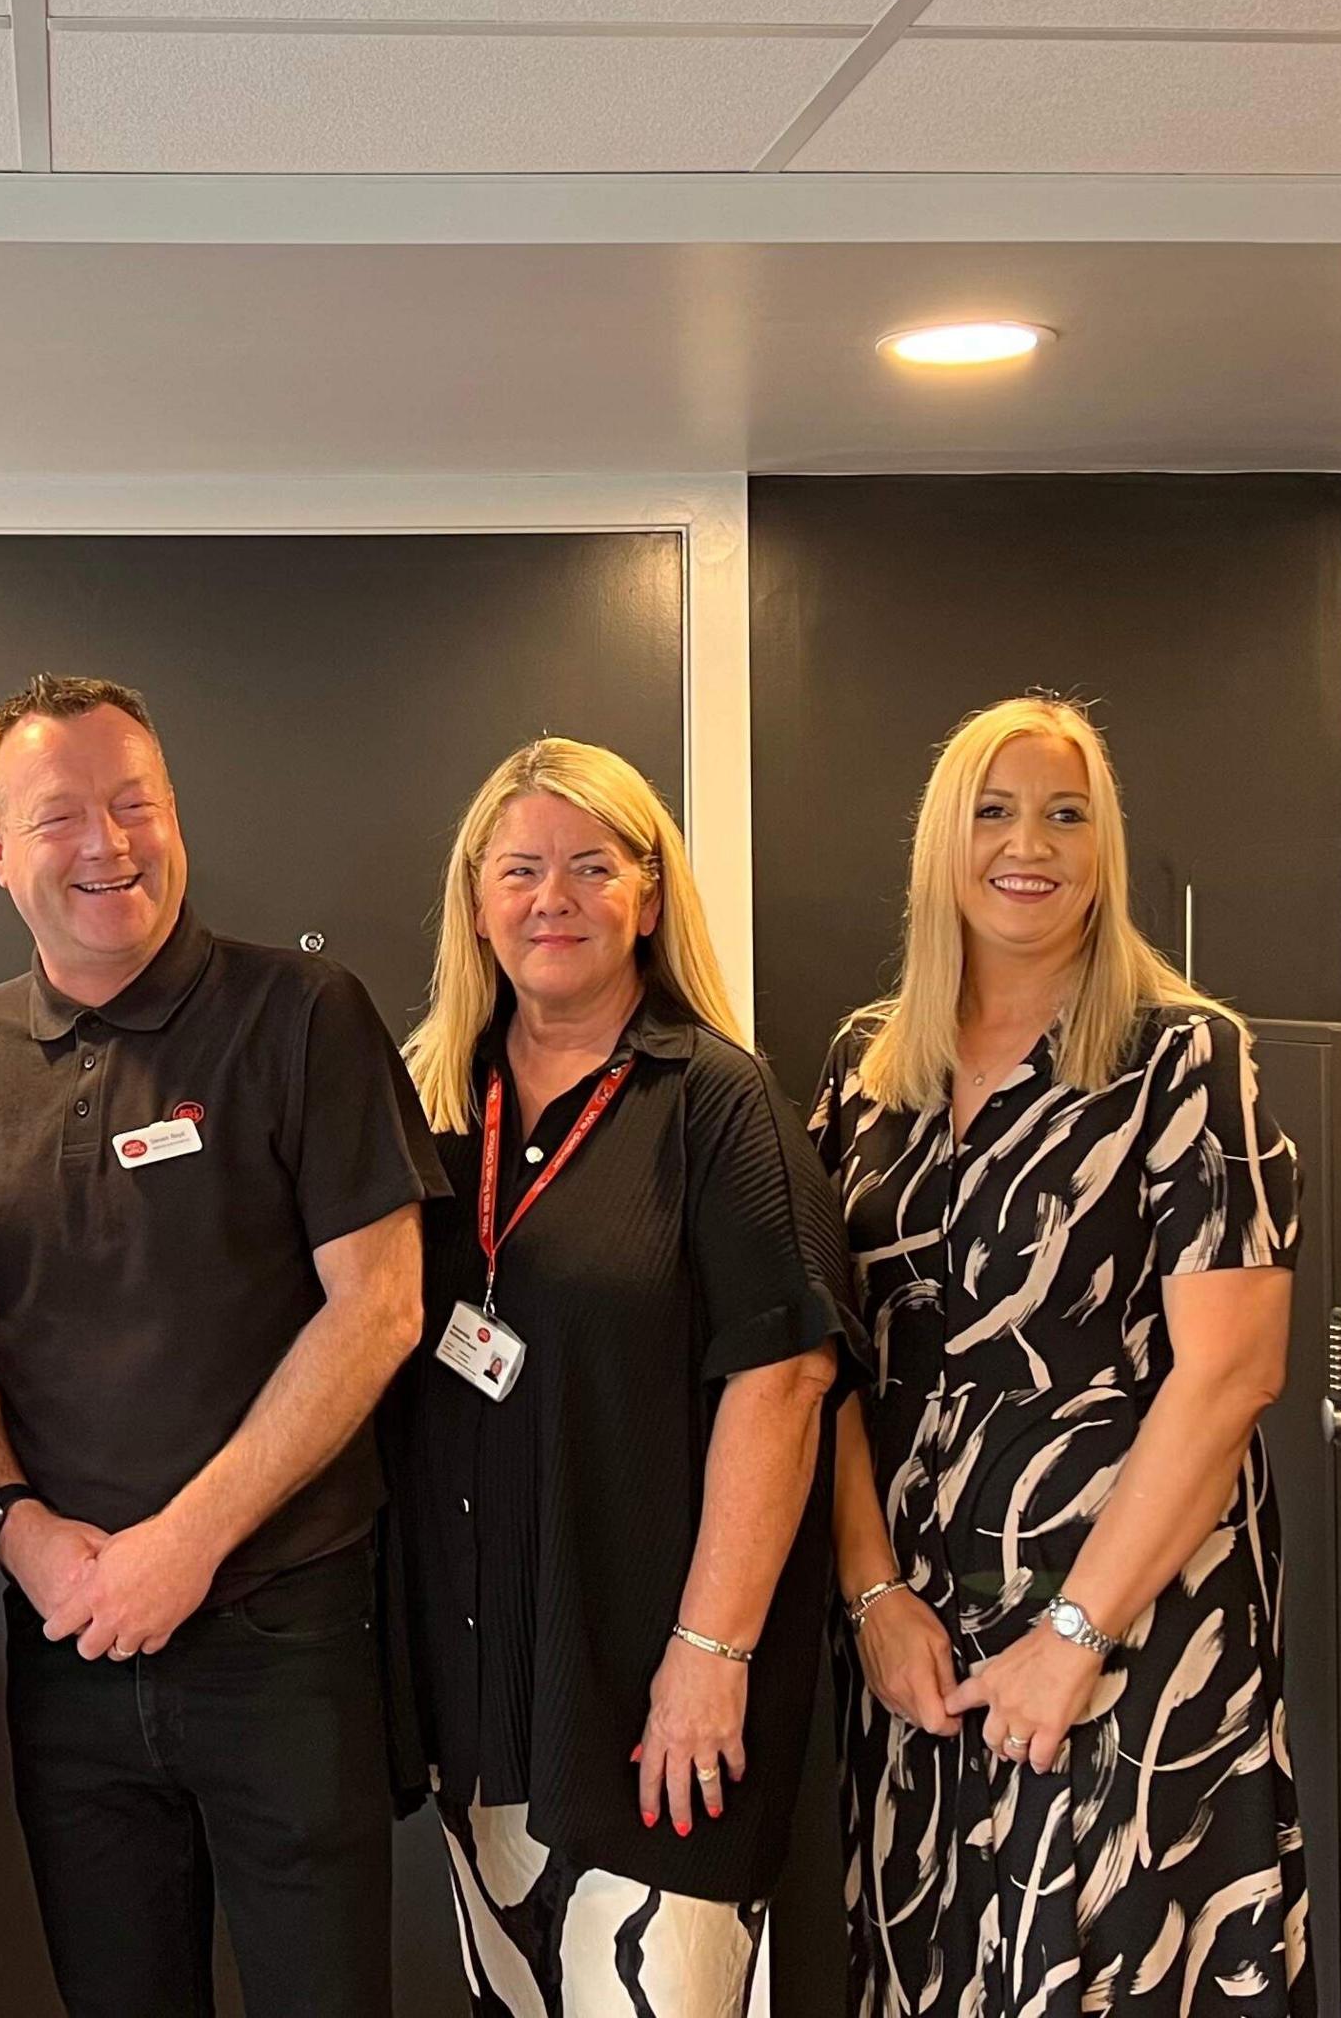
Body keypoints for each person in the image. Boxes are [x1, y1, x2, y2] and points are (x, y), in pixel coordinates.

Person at [0, 673, 440, 2018]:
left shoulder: (304, 1016)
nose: (109, 844)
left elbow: (380, 1307)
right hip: (67, 1645)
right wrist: (19, 1529)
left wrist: (183, 1545)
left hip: (284, 1638)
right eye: (63, 814)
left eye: (137, 803)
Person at [811, 695, 1305, 2017]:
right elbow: (824, 1366)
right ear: (939, 842)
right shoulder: (863, 1070)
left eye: (1065, 813)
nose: (1028, 844)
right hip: (920, 1654)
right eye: (993, 807)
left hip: (1137, 1641)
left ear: (1106, 848)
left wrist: (1074, 1635)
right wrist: (871, 1600)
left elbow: (1233, 1374)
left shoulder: (1186, 1056)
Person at [389, 738, 849, 2016]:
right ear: (475, 900)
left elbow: (788, 1377)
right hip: (483, 1716)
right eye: (522, 868)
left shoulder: (716, 1102)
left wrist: (710, 1653)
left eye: (594, 866)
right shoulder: (430, 1109)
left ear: (650, 892)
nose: (555, 899)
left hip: (660, 1712)